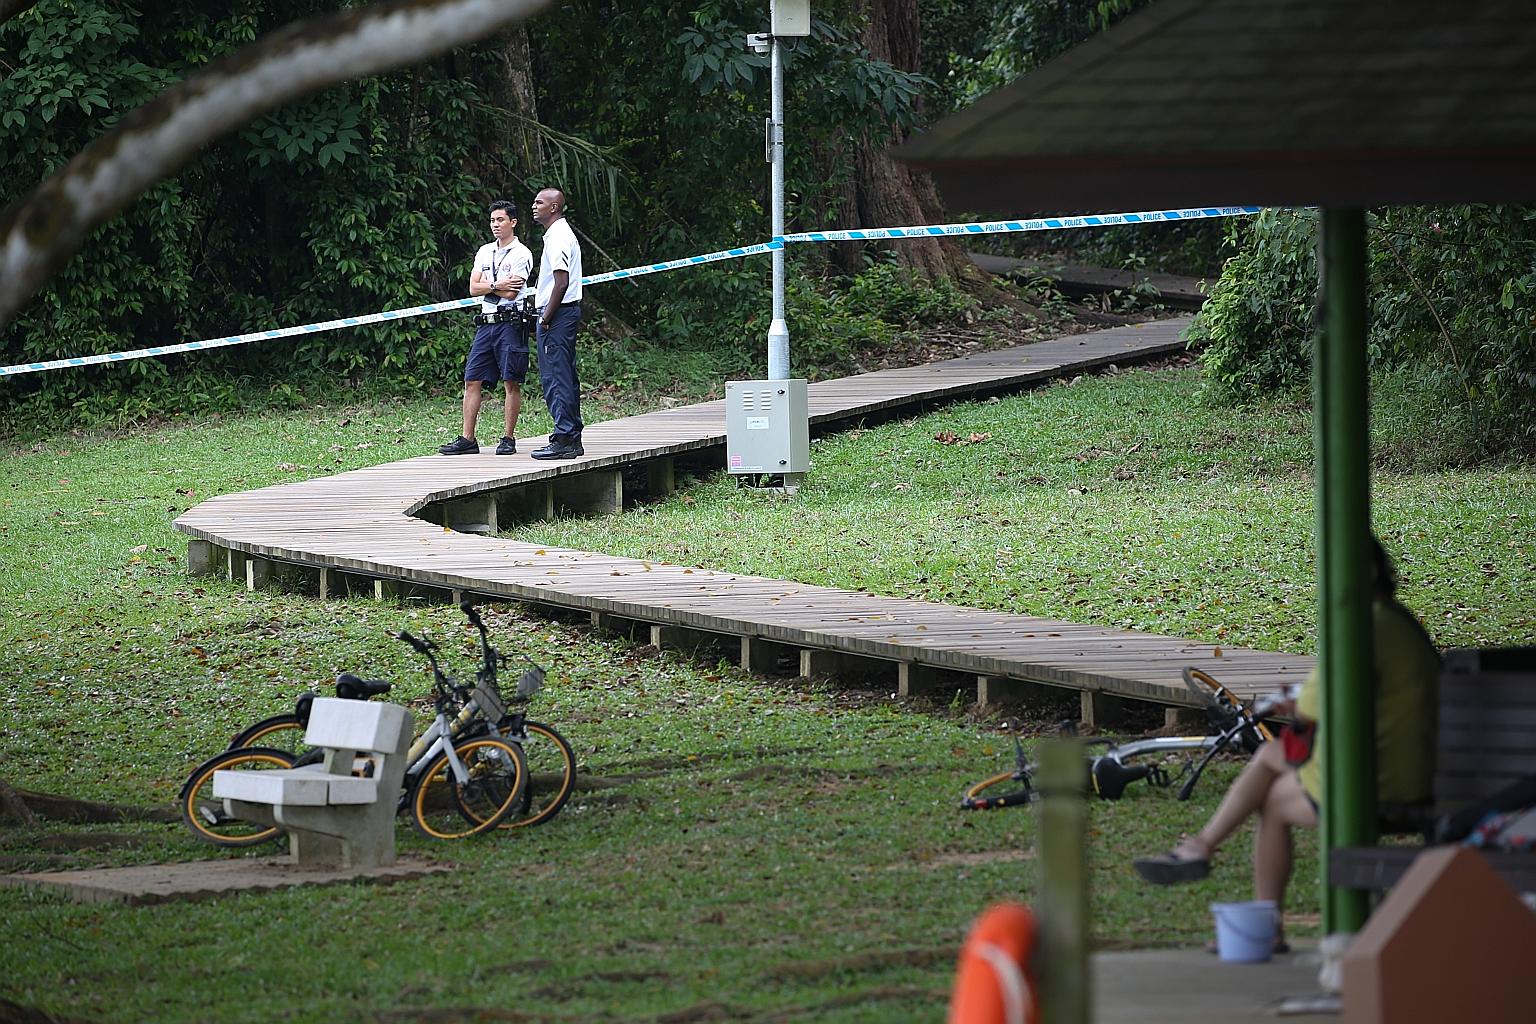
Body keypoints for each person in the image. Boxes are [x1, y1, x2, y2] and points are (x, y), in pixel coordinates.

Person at [1133, 538, 1439, 949]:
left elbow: (1310, 711)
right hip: (1408, 772)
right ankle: (1211, 859)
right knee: (1274, 774)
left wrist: (1293, 702)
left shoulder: (1366, 630)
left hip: (1383, 785)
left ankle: (1212, 861)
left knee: (1273, 788)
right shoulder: (1394, 622)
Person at [439, 200, 532, 456]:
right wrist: (495, 285)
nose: (495, 225)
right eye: (492, 220)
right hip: (486, 323)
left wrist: (488, 285)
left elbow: (512, 293)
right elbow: (473, 288)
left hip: (510, 323)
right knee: (472, 379)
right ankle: (468, 438)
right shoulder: (484, 251)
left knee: (510, 381)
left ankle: (508, 437)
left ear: (513, 222)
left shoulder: (521, 253)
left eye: (500, 220)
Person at [528, 188, 584, 460]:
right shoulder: (556, 234)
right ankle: (571, 436)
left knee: (556, 376)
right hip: (562, 313)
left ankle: (564, 437)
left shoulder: (558, 237)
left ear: (554, 207)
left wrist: (546, 317)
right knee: (564, 374)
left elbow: (561, 282)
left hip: (558, 314)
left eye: (539, 202)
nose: (533, 206)